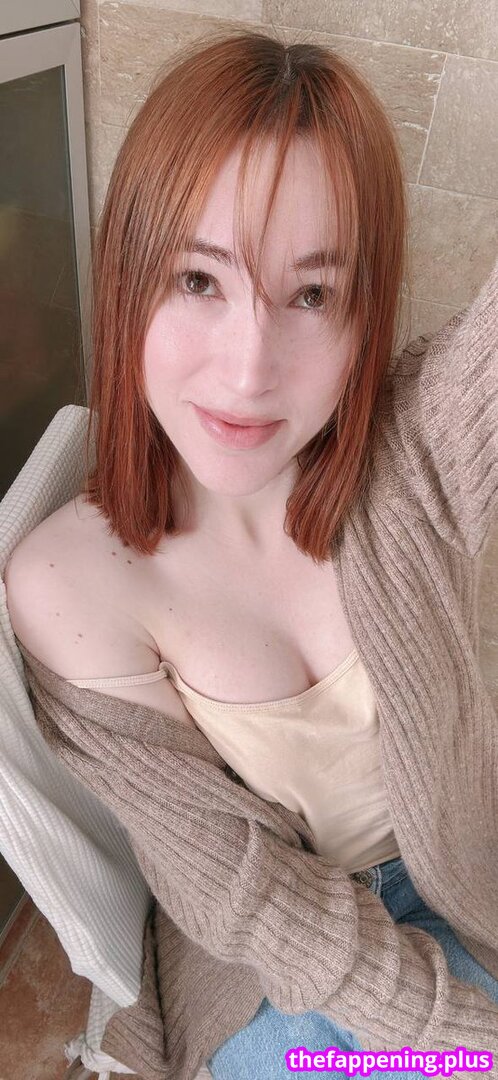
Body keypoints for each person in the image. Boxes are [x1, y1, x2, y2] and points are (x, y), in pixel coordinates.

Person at [5, 28, 498, 1080]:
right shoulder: (67, 584)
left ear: (364, 314)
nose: (248, 370)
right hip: (281, 973)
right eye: (197, 279)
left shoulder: (414, 452)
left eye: (312, 295)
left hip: (469, 881)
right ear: (128, 276)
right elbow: (246, 894)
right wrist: (463, 1040)